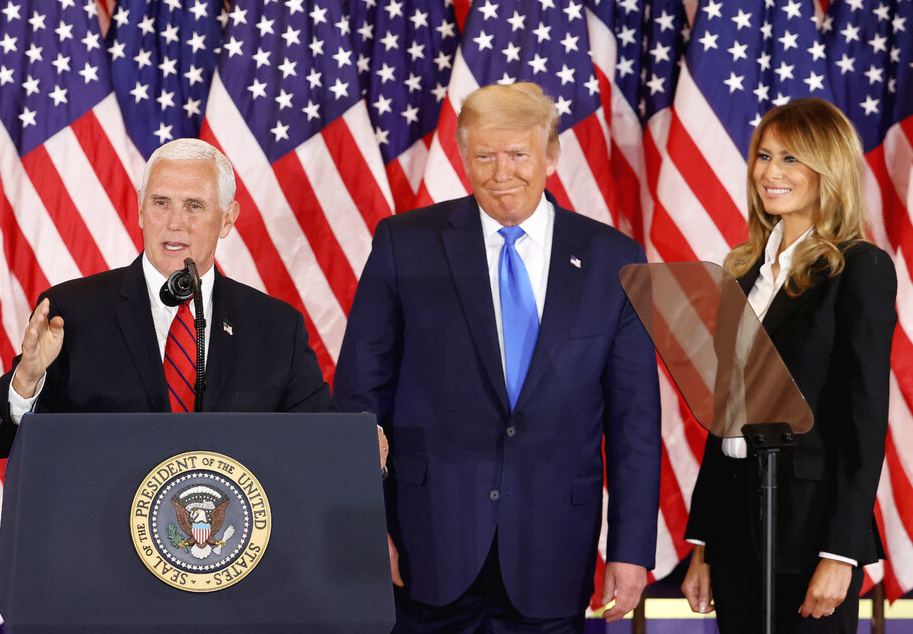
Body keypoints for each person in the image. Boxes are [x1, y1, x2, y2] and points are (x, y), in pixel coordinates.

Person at [334, 82, 661, 632]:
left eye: (517, 154)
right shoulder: (404, 243)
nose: (500, 171)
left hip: (553, 550)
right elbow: (359, 400)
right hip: (427, 546)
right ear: (463, 156)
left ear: (551, 156)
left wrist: (631, 550)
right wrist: (367, 527)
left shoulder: (615, 259)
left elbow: (636, 422)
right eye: (484, 155)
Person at [0, 138, 337, 459]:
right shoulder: (72, 312)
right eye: (161, 202)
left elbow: (322, 443)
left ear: (227, 219)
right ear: (142, 210)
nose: (175, 222)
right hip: (102, 532)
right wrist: (25, 381)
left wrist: (368, 447)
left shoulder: (274, 327)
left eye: (194, 206)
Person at [680, 98, 897, 632]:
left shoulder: (860, 268)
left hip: (808, 532)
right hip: (733, 528)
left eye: (791, 159)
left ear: (828, 168)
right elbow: (723, 413)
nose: (769, 173)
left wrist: (841, 553)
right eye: (764, 156)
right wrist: (704, 544)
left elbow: (863, 421)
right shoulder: (742, 267)